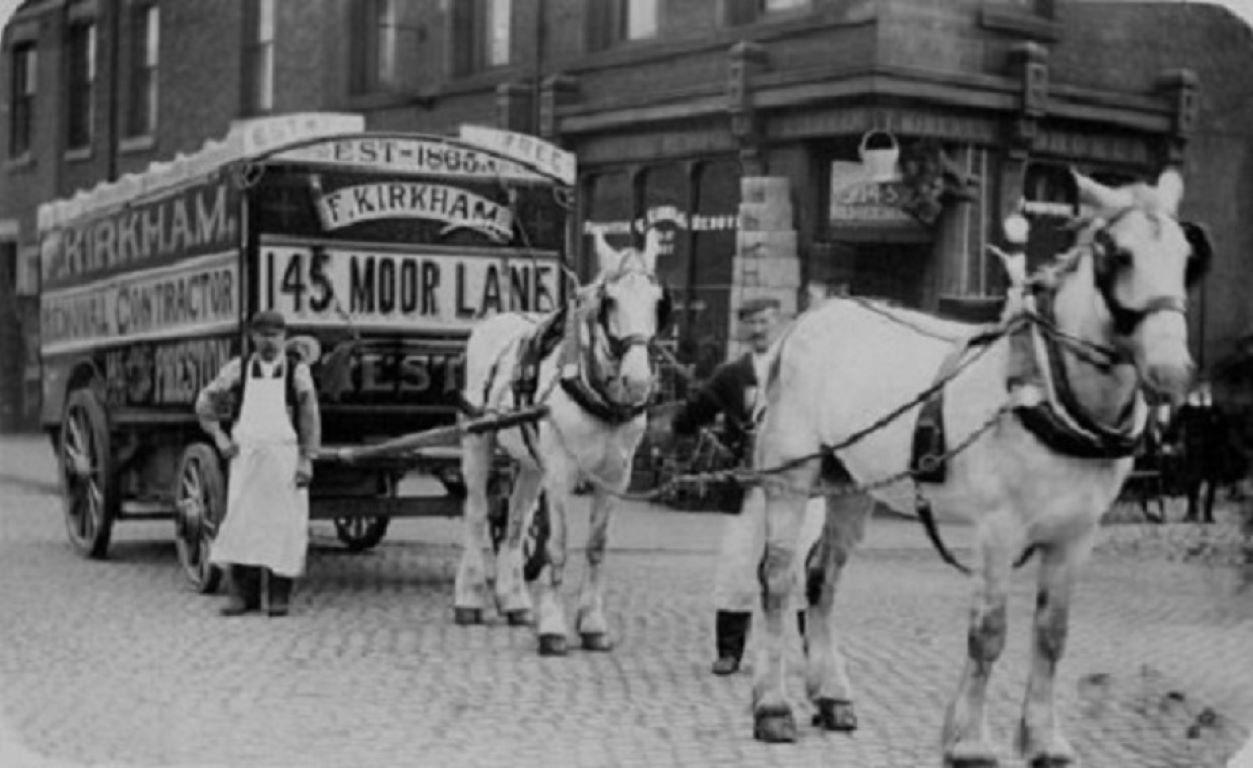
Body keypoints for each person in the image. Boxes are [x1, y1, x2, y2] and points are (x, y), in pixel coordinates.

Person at [668, 297, 823, 676]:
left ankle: (815, 649)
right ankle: (729, 652)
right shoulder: (731, 376)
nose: (759, 330)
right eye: (751, 323)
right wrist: (692, 421)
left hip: (802, 486)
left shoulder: (808, 371)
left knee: (807, 566)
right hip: (750, 486)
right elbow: (689, 419)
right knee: (738, 564)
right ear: (742, 329)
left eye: (765, 322)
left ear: (781, 322)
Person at [195, 310, 321, 617]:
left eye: (275, 335)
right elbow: (204, 402)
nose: (269, 342)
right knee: (243, 522)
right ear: (253, 337)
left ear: (284, 336)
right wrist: (220, 438)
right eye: (263, 335)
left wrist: (307, 458)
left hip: (284, 459)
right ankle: (242, 594)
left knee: (284, 526)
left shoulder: (297, 373)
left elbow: (309, 416)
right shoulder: (238, 370)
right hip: (247, 459)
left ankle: (279, 595)